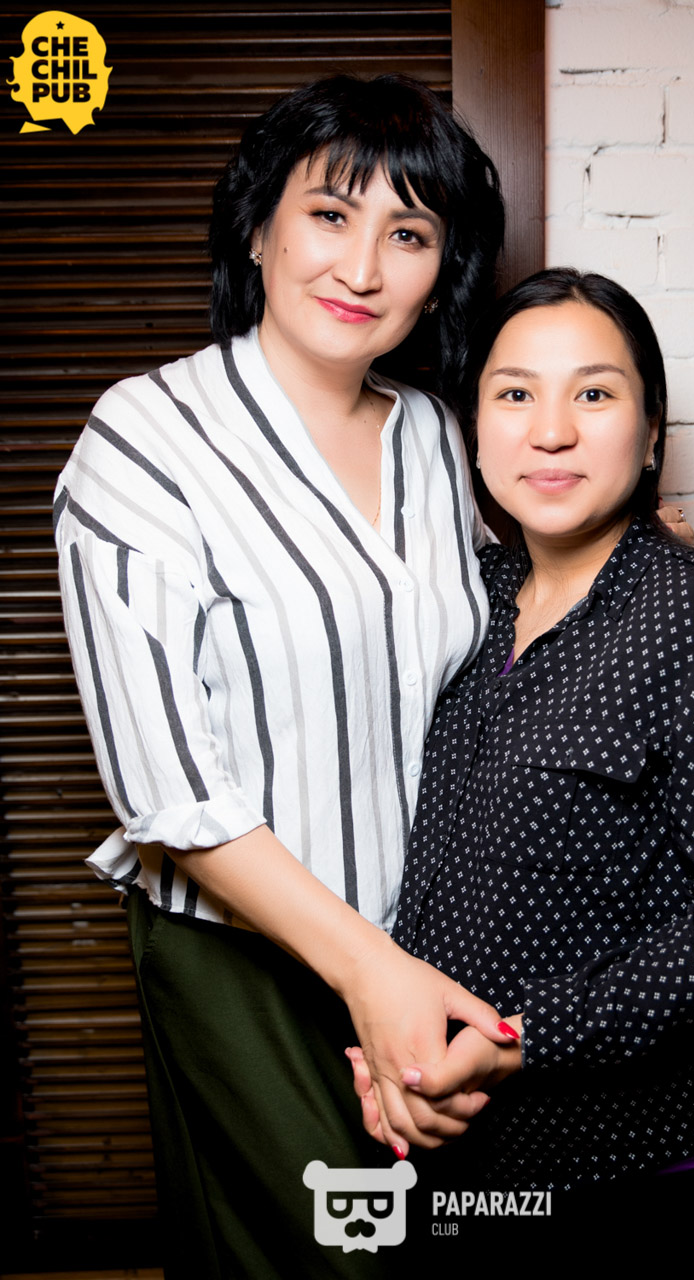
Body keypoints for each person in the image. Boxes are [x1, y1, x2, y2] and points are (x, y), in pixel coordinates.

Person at [54, 73, 521, 1280]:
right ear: (258, 227)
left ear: (442, 272)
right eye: (329, 214)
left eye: (407, 234)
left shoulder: (438, 436)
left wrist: (633, 545)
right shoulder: (144, 438)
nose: (361, 266)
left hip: (430, 943)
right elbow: (166, 790)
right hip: (248, 957)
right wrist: (370, 973)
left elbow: (506, 626)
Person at [354, 268, 694, 1277]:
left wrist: (521, 1037)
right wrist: (393, 1052)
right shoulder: (464, 605)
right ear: (475, 429)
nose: (551, 430)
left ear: (651, 434)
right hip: (473, 1157)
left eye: (594, 393)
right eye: (515, 393)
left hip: (660, 1176)